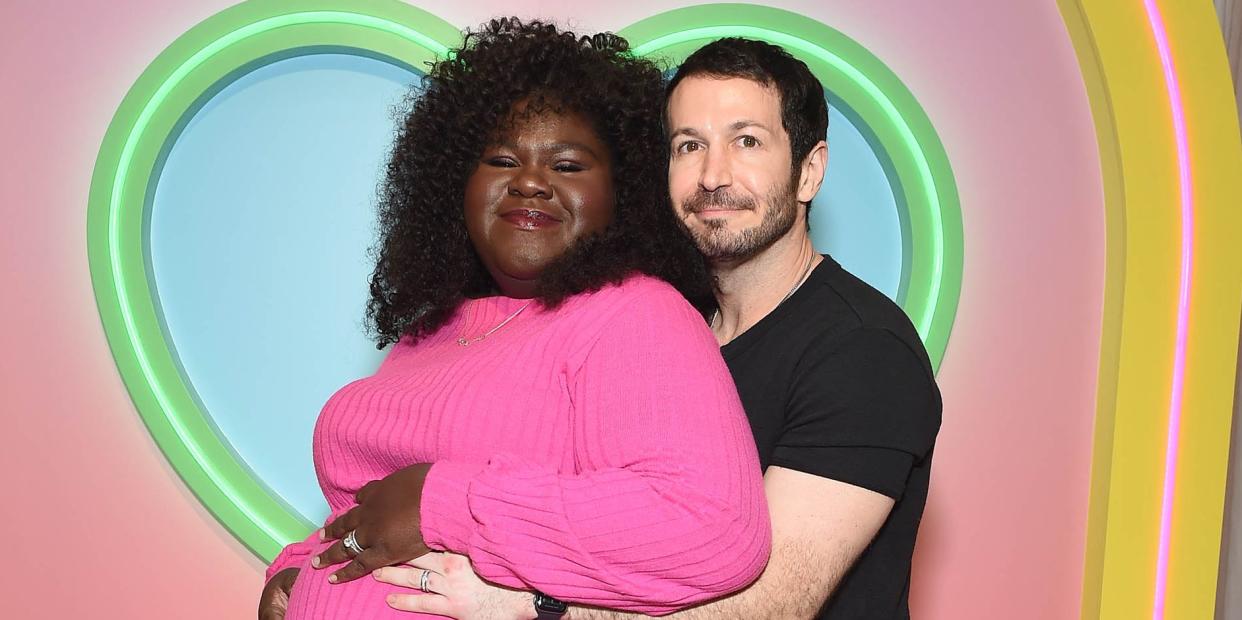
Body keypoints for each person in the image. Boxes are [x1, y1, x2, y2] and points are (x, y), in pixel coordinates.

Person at [377, 37, 942, 620]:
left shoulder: (864, 351)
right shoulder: (652, 323)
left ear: (809, 171)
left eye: (747, 141)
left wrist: (539, 609)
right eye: (688, 145)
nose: (713, 175)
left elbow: (768, 605)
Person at [255, 21, 771, 620]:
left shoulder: (635, 312)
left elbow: (710, 528)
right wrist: (298, 568)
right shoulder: (434, 329)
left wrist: (446, 505)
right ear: (456, 184)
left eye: (569, 165)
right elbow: (375, 508)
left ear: (624, 193)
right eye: (502, 159)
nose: (530, 180)